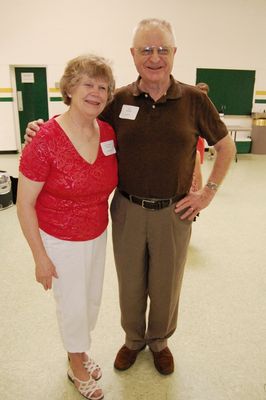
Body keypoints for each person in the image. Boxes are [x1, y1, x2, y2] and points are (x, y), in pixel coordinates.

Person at [24, 18, 235, 377]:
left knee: (167, 282)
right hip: (126, 209)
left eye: (162, 49)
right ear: (133, 55)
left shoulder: (195, 100)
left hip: (174, 212)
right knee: (131, 281)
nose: (154, 57)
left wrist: (207, 193)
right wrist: (41, 127)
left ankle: (160, 341)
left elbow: (226, 146)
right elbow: (81, 119)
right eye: (146, 50)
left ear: (174, 53)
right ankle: (133, 339)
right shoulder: (117, 99)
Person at [17, 54, 118, 400]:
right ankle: (76, 366)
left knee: (90, 302)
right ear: (70, 89)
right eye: (88, 84)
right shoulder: (45, 138)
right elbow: (24, 203)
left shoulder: (107, 131)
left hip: (97, 232)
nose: (96, 92)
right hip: (60, 237)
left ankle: (80, 350)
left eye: (103, 87)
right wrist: (40, 258)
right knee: (72, 303)